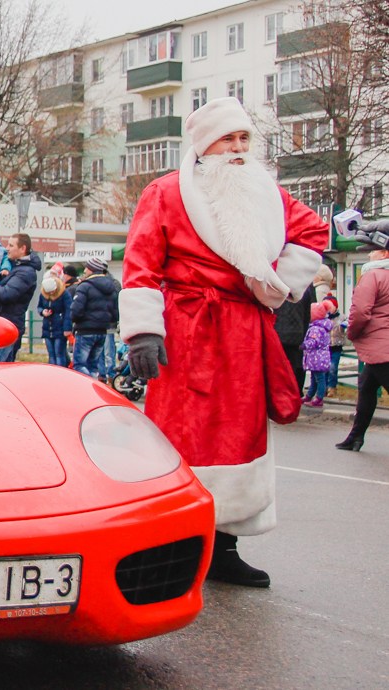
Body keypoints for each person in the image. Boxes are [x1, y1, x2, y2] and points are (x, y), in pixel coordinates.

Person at [119, 97, 327, 587]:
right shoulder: (166, 192)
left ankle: (224, 545)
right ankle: (174, 541)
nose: (236, 149)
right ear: (203, 144)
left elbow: (313, 232)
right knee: (183, 432)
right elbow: (142, 262)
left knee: (240, 432)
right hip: (188, 327)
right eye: (227, 139)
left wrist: (273, 284)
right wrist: (145, 331)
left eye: (243, 139)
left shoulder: (269, 193)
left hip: (243, 330)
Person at [336, 243, 389, 451]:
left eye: (373, 250)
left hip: (380, 345)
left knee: (368, 387)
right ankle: (356, 436)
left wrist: (352, 333)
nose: (369, 254)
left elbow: (360, 312)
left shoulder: (373, 275)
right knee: (366, 387)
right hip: (383, 345)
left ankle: (355, 437)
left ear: (384, 254)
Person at [0, 233, 41, 362]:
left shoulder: (26, 272)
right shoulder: (14, 267)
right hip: (1, 326)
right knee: (1, 369)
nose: (6, 248)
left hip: (7, 329)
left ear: (23, 249)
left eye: (11, 245)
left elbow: (6, 294)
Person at [69, 257, 119, 379]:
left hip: (85, 329)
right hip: (102, 330)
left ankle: (88, 384)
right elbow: (115, 310)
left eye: (87, 268)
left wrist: (74, 319)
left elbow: (76, 310)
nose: (85, 270)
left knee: (79, 365)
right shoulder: (111, 286)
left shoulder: (85, 287)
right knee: (92, 365)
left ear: (91, 269)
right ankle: (93, 386)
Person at [274, 283, 316, 395]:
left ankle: (278, 395)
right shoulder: (306, 282)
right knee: (295, 364)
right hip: (297, 331)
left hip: (275, 329)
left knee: (276, 366)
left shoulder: (278, 276)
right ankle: (295, 394)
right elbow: (309, 310)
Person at [37, 273, 72, 367]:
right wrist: (42, 311)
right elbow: (39, 306)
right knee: (51, 354)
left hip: (60, 327)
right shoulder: (43, 295)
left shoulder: (64, 294)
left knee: (59, 353)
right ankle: (52, 374)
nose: (51, 294)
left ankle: (61, 374)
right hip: (47, 327)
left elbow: (68, 311)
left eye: (52, 291)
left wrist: (67, 328)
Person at [302, 302, 332, 408]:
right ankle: (310, 395)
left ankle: (319, 398)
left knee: (319, 379)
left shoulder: (315, 328)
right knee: (315, 378)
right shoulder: (323, 327)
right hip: (319, 357)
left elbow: (314, 341)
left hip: (317, 357)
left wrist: (303, 345)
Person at [323, 296, 345, 397]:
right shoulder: (323, 319)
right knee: (325, 368)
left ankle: (332, 387)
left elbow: (349, 326)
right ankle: (325, 387)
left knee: (333, 368)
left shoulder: (342, 318)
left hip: (336, 346)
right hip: (325, 347)